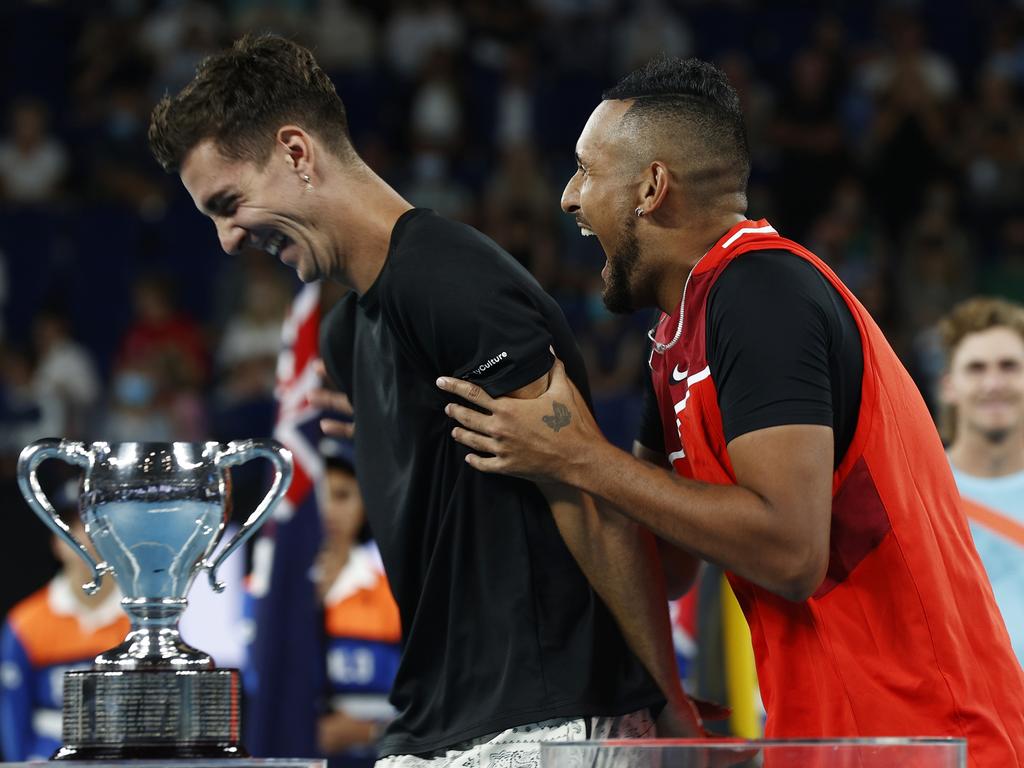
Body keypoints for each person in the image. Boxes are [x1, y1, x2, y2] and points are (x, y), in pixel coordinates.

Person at [436, 56, 1024, 767]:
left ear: (651, 188)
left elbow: (790, 552)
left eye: (587, 171)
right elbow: (663, 564)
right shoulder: (675, 340)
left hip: (933, 738)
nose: (568, 198)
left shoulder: (762, 291)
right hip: (836, 738)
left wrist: (582, 458)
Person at [148, 33, 701, 768]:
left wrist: (671, 705)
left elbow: (591, 501)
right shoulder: (347, 334)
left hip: (546, 723)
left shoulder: (449, 280)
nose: (225, 241)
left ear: (296, 152)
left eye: (229, 203)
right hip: (431, 732)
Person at [0, 490, 128, 761]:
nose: (85, 537)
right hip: (47, 755)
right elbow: (12, 708)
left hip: (123, 755)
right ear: (56, 541)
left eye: (98, 524)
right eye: (74, 526)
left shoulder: (141, 619)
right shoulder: (27, 622)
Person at [938, 296, 1024, 665]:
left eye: (1008, 366)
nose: (993, 383)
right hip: (959, 717)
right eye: (976, 368)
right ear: (949, 386)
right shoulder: (916, 492)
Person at [314, 440, 402, 768]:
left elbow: (434, 698)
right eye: (317, 494)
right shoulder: (263, 594)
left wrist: (370, 733)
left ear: (365, 502)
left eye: (342, 495)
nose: (327, 510)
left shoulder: (395, 592)